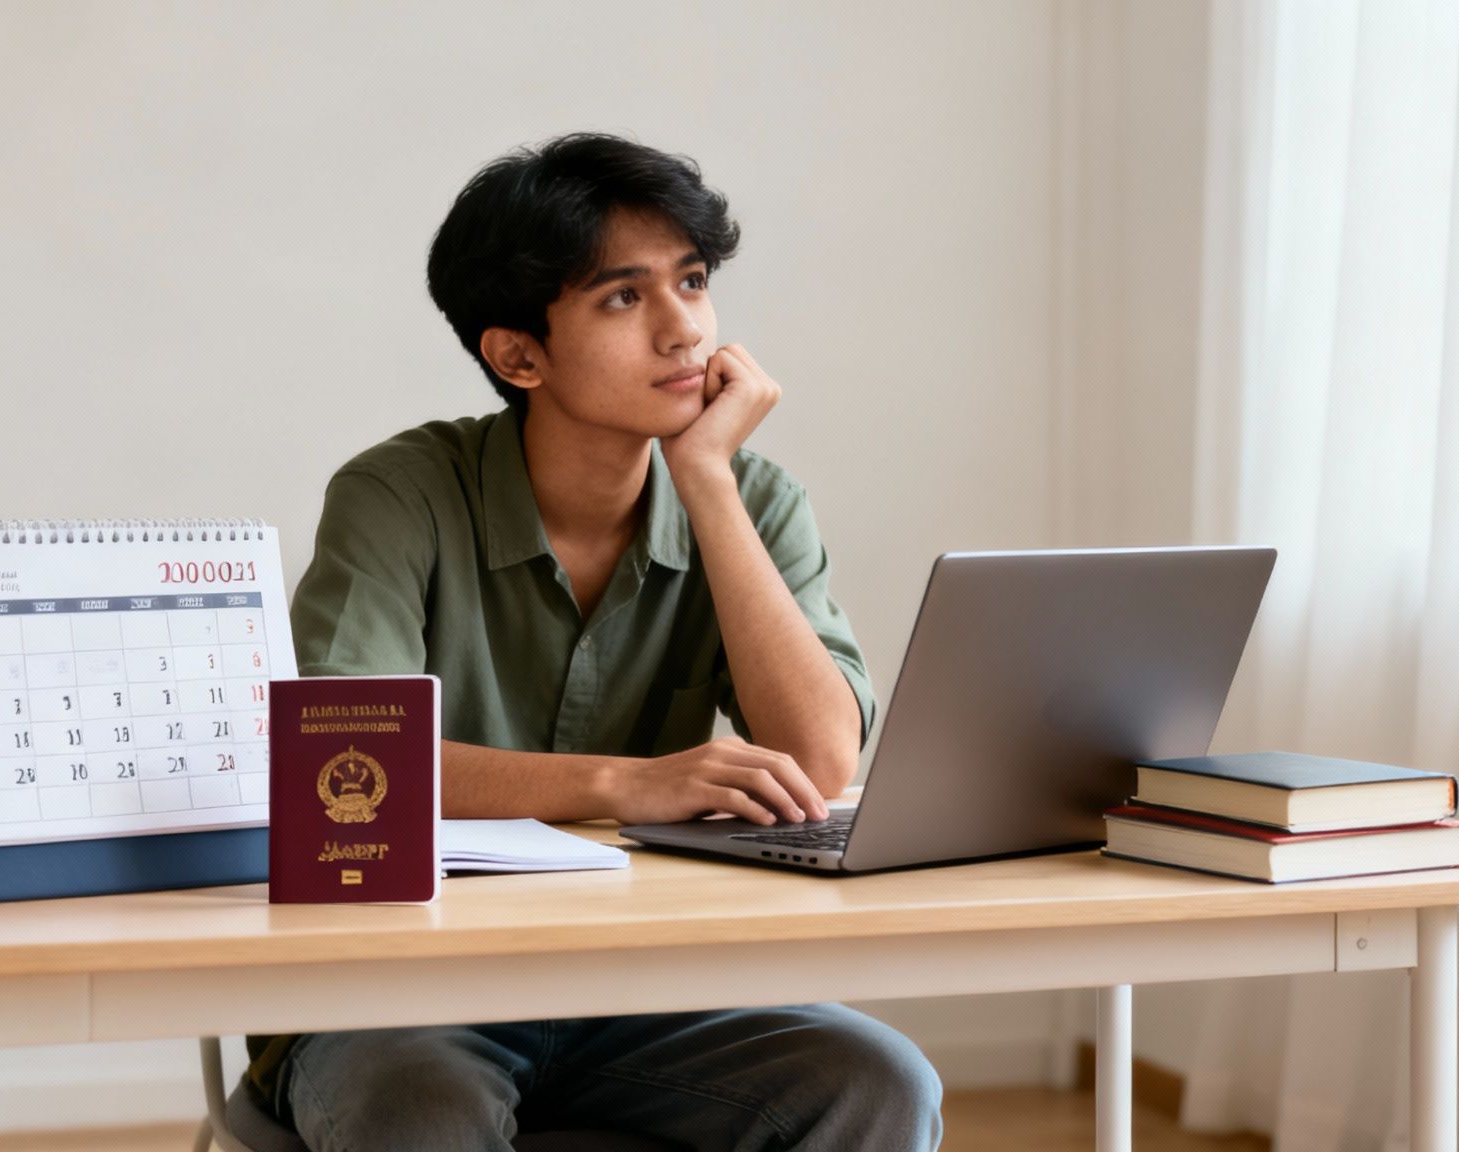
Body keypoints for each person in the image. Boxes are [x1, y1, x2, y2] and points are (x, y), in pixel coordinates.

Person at [248, 132, 943, 1152]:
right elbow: (342, 769)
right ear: (516, 354)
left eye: (692, 283)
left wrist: (705, 479)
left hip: (639, 986)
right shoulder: (397, 495)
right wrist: (623, 784)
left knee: (877, 1083)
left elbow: (820, 763)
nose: (683, 333)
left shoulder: (752, 500)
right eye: (624, 298)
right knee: (421, 1108)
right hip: (400, 993)